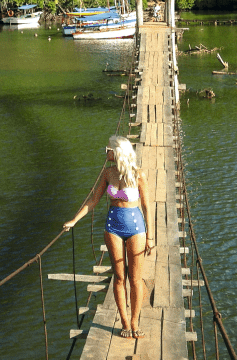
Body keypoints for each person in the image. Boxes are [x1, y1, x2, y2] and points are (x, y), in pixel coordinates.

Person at [63, 135, 153, 339]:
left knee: (135, 279)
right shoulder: (107, 174)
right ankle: (124, 323)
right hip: (113, 227)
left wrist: (150, 237)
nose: (106, 153)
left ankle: (135, 321)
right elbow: (93, 200)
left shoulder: (138, 175)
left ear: (117, 151)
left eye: (108, 150)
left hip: (136, 228)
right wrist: (74, 220)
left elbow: (147, 207)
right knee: (119, 277)